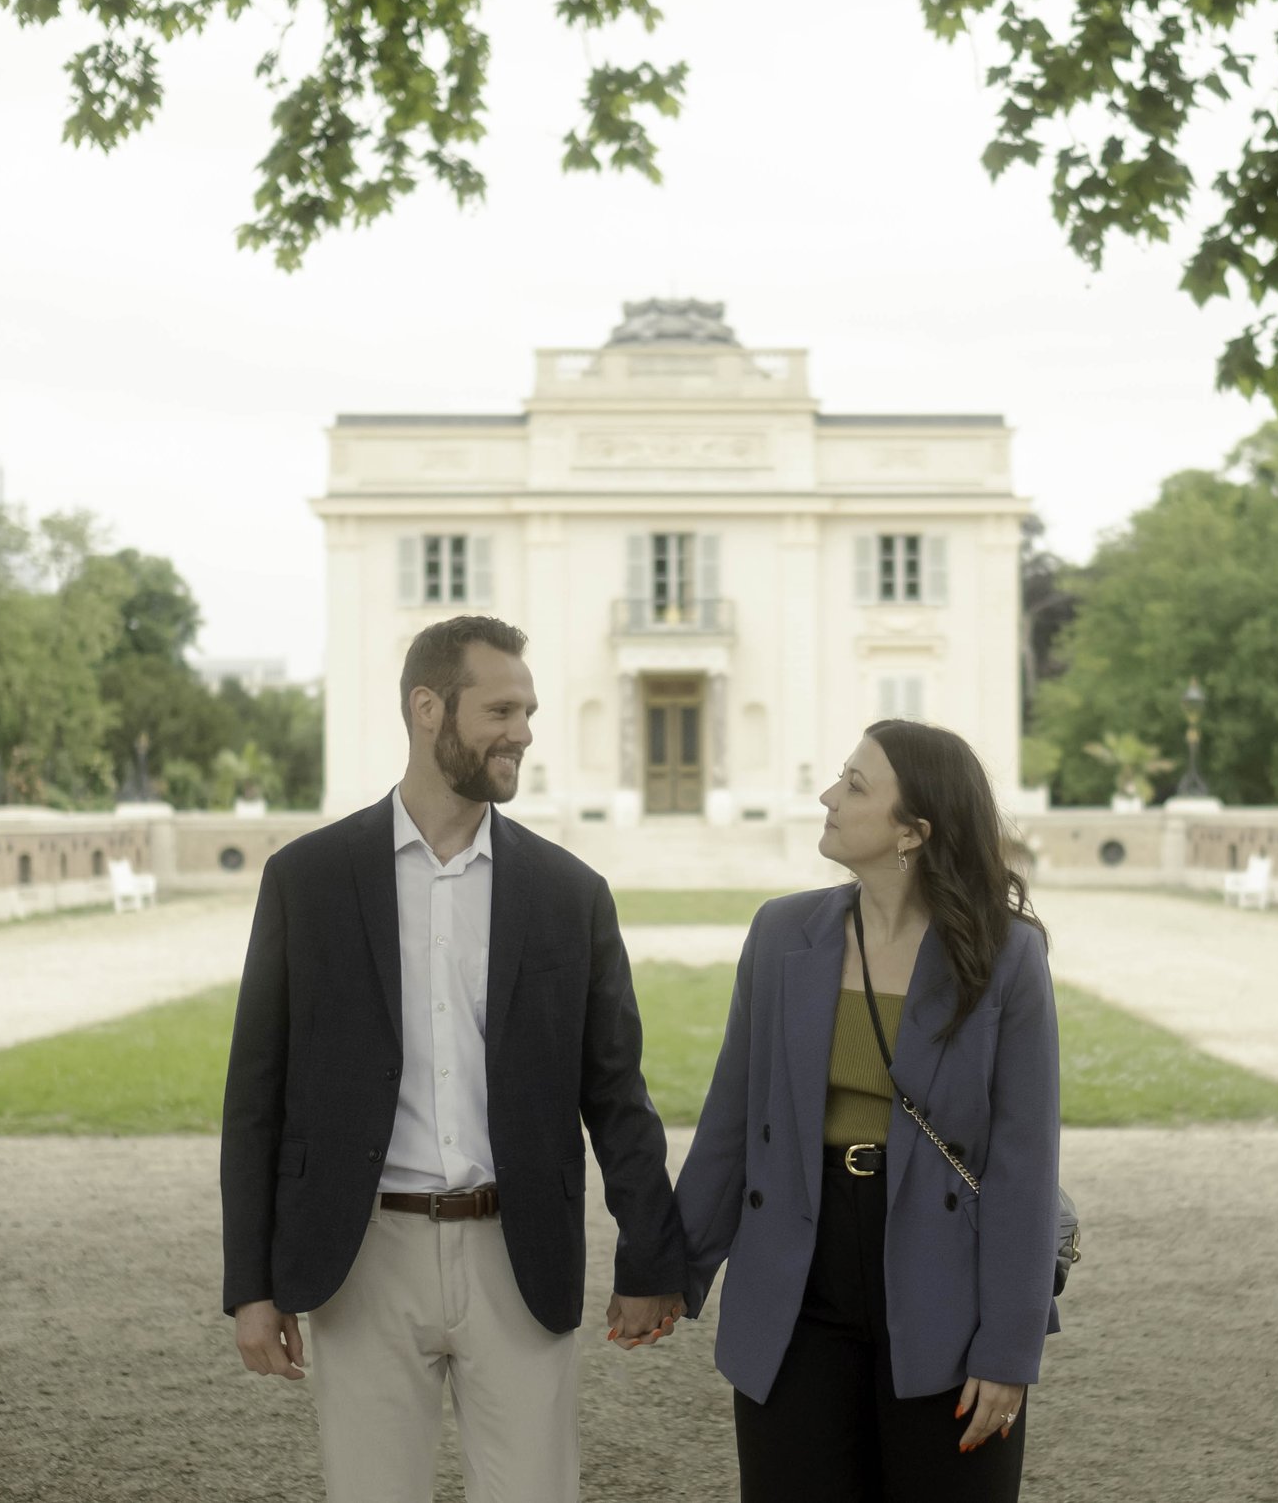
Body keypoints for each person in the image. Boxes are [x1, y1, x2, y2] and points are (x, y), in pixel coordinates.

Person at [221, 614, 688, 1503]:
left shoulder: (568, 894)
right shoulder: (308, 880)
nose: (524, 733)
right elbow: (257, 1096)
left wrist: (650, 1254)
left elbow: (615, 1092)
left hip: (519, 1254)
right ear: (428, 707)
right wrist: (252, 1284)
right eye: (502, 710)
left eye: (530, 710)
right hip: (363, 1256)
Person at [676, 718, 1062, 1501]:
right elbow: (731, 1123)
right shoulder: (782, 934)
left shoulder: (1004, 958)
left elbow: (1022, 1166)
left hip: (942, 1278)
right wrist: (667, 1270)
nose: (828, 796)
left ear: (913, 832)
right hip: (797, 1273)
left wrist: (1008, 1352)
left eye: (855, 785)